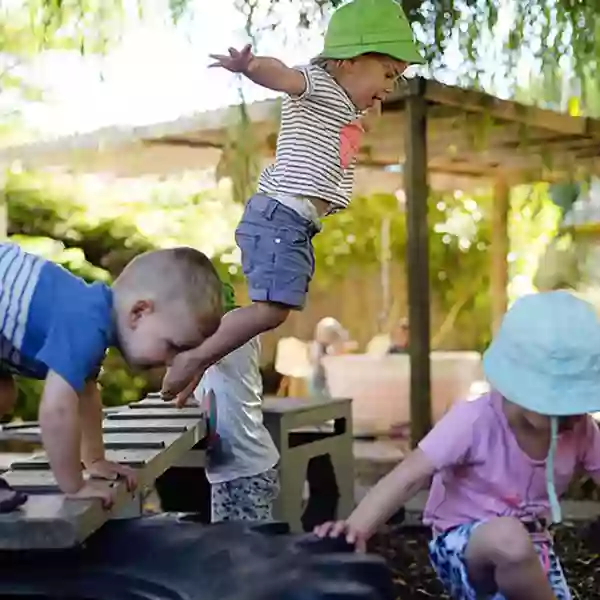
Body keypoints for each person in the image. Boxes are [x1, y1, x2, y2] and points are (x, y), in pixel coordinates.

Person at [160, 0, 424, 403]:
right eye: (388, 73)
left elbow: (364, 123)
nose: (389, 87)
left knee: (269, 311)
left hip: (292, 224)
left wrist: (369, 109)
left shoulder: (347, 108)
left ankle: (196, 362)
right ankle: (193, 359)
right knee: (272, 310)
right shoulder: (318, 84)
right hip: (280, 216)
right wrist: (249, 67)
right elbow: (282, 75)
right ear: (348, 61)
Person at [315, 290, 600, 600]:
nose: (575, 415)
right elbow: (409, 475)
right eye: (563, 405)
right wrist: (356, 527)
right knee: (509, 539)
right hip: (464, 548)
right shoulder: (475, 420)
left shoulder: (582, 429)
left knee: (520, 551)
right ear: (519, 388)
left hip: (533, 553)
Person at [0, 243, 222, 512]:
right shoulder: (85, 322)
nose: (174, 361)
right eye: (173, 346)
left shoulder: (90, 317)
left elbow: (86, 393)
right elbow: (57, 409)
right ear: (139, 312)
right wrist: (75, 486)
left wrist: (95, 460)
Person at [191, 283, 280, 522]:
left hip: (246, 469)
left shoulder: (233, 342)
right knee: (231, 547)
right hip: (230, 469)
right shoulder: (210, 356)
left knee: (250, 549)